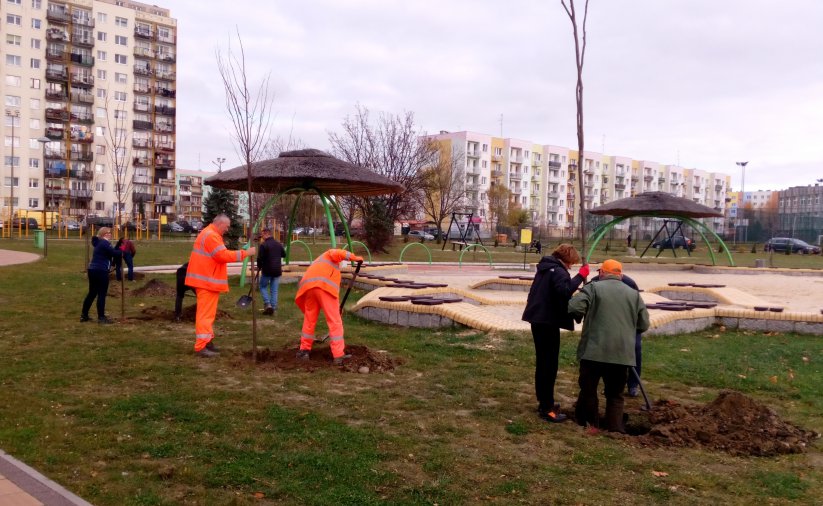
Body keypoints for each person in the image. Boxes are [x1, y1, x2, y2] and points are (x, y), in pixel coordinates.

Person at [568, 259, 650, 433]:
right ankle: (615, 427)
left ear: (602, 273)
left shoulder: (593, 288)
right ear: (620, 275)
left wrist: (581, 314)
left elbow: (574, 306)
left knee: (589, 390)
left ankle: (591, 424)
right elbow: (643, 324)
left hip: (593, 352)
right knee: (615, 394)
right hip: (621, 354)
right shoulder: (634, 294)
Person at [521, 244, 589, 423]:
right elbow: (565, 291)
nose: (571, 267)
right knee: (549, 365)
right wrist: (581, 275)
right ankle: (547, 408)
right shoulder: (558, 271)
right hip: (547, 322)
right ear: (566, 259)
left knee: (543, 363)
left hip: (538, 320)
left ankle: (544, 401)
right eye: (571, 264)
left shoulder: (545, 268)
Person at [185, 214, 256, 358]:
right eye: (227, 226)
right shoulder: (211, 235)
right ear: (220, 224)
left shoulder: (210, 234)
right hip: (206, 282)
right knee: (205, 315)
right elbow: (222, 256)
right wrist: (246, 253)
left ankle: (207, 341)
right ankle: (201, 346)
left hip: (207, 281)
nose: (227, 229)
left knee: (208, 315)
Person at [295, 248, 363, 365]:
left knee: (309, 320)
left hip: (310, 289)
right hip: (323, 288)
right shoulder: (329, 254)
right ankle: (338, 355)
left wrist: (337, 309)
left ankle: (304, 350)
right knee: (335, 321)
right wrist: (354, 257)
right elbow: (336, 252)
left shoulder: (320, 262)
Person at [588, 271, 644, 397]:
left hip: (627, 325)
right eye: (600, 272)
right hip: (606, 325)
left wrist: (635, 330)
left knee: (636, 348)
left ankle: (633, 384)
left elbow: (638, 307)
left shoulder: (629, 283)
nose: (601, 275)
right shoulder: (594, 282)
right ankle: (610, 386)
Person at [81, 227, 122, 324]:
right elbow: (115, 253)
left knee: (92, 293)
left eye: (110, 232)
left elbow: (110, 252)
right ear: (102, 234)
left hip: (92, 270)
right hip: (100, 270)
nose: (109, 234)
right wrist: (123, 250)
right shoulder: (104, 243)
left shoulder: (99, 243)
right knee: (101, 294)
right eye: (107, 233)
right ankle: (101, 318)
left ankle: (84, 315)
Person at [257, 228, 286, 315]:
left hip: (267, 270)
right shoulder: (278, 244)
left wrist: (259, 266)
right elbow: (284, 254)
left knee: (262, 286)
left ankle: (268, 304)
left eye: (262, 234)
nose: (261, 236)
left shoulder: (263, 245)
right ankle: (273, 308)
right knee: (274, 290)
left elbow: (259, 258)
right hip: (277, 270)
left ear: (266, 234)